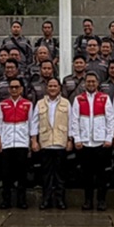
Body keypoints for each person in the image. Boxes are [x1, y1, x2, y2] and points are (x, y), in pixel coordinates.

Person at [69, 72, 114, 211]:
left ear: (97, 83)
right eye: (88, 81)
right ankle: (88, 201)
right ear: (84, 84)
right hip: (84, 143)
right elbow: (74, 120)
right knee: (86, 174)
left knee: (102, 174)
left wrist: (109, 138)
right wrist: (77, 138)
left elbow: (110, 120)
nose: (90, 84)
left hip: (101, 142)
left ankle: (101, 200)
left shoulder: (104, 98)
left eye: (93, 81)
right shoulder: (78, 99)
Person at [0, 77, 35, 209]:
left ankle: (21, 200)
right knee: (6, 174)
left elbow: (31, 124)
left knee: (21, 174)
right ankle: (6, 200)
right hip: (7, 143)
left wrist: (31, 141)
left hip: (22, 143)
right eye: (11, 87)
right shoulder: (3, 104)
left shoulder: (28, 104)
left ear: (21, 89)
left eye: (16, 87)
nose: (14, 89)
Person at [33, 76, 71, 209]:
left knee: (60, 175)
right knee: (46, 174)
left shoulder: (66, 103)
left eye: (55, 86)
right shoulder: (40, 104)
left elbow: (71, 122)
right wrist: (34, 140)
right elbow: (34, 123)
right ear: (46, 88)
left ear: (59, 88)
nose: (53, 88)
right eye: (50, 86)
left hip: (61, 142)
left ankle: (60, 200)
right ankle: (46, 200)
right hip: (45, 143)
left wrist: (70, 140)